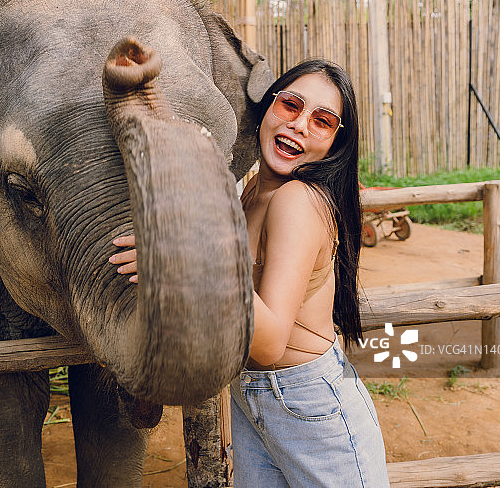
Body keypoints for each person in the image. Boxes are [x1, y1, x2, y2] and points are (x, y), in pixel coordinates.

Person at [109, 58, 389, 487]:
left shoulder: (298, 200)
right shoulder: (252, 188)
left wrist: (180, 260)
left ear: (336, 144)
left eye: (323, 121)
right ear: (268, 106)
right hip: (253, 397)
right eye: (291, 105)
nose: (299, 125)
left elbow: (272, 340)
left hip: (309, 404)